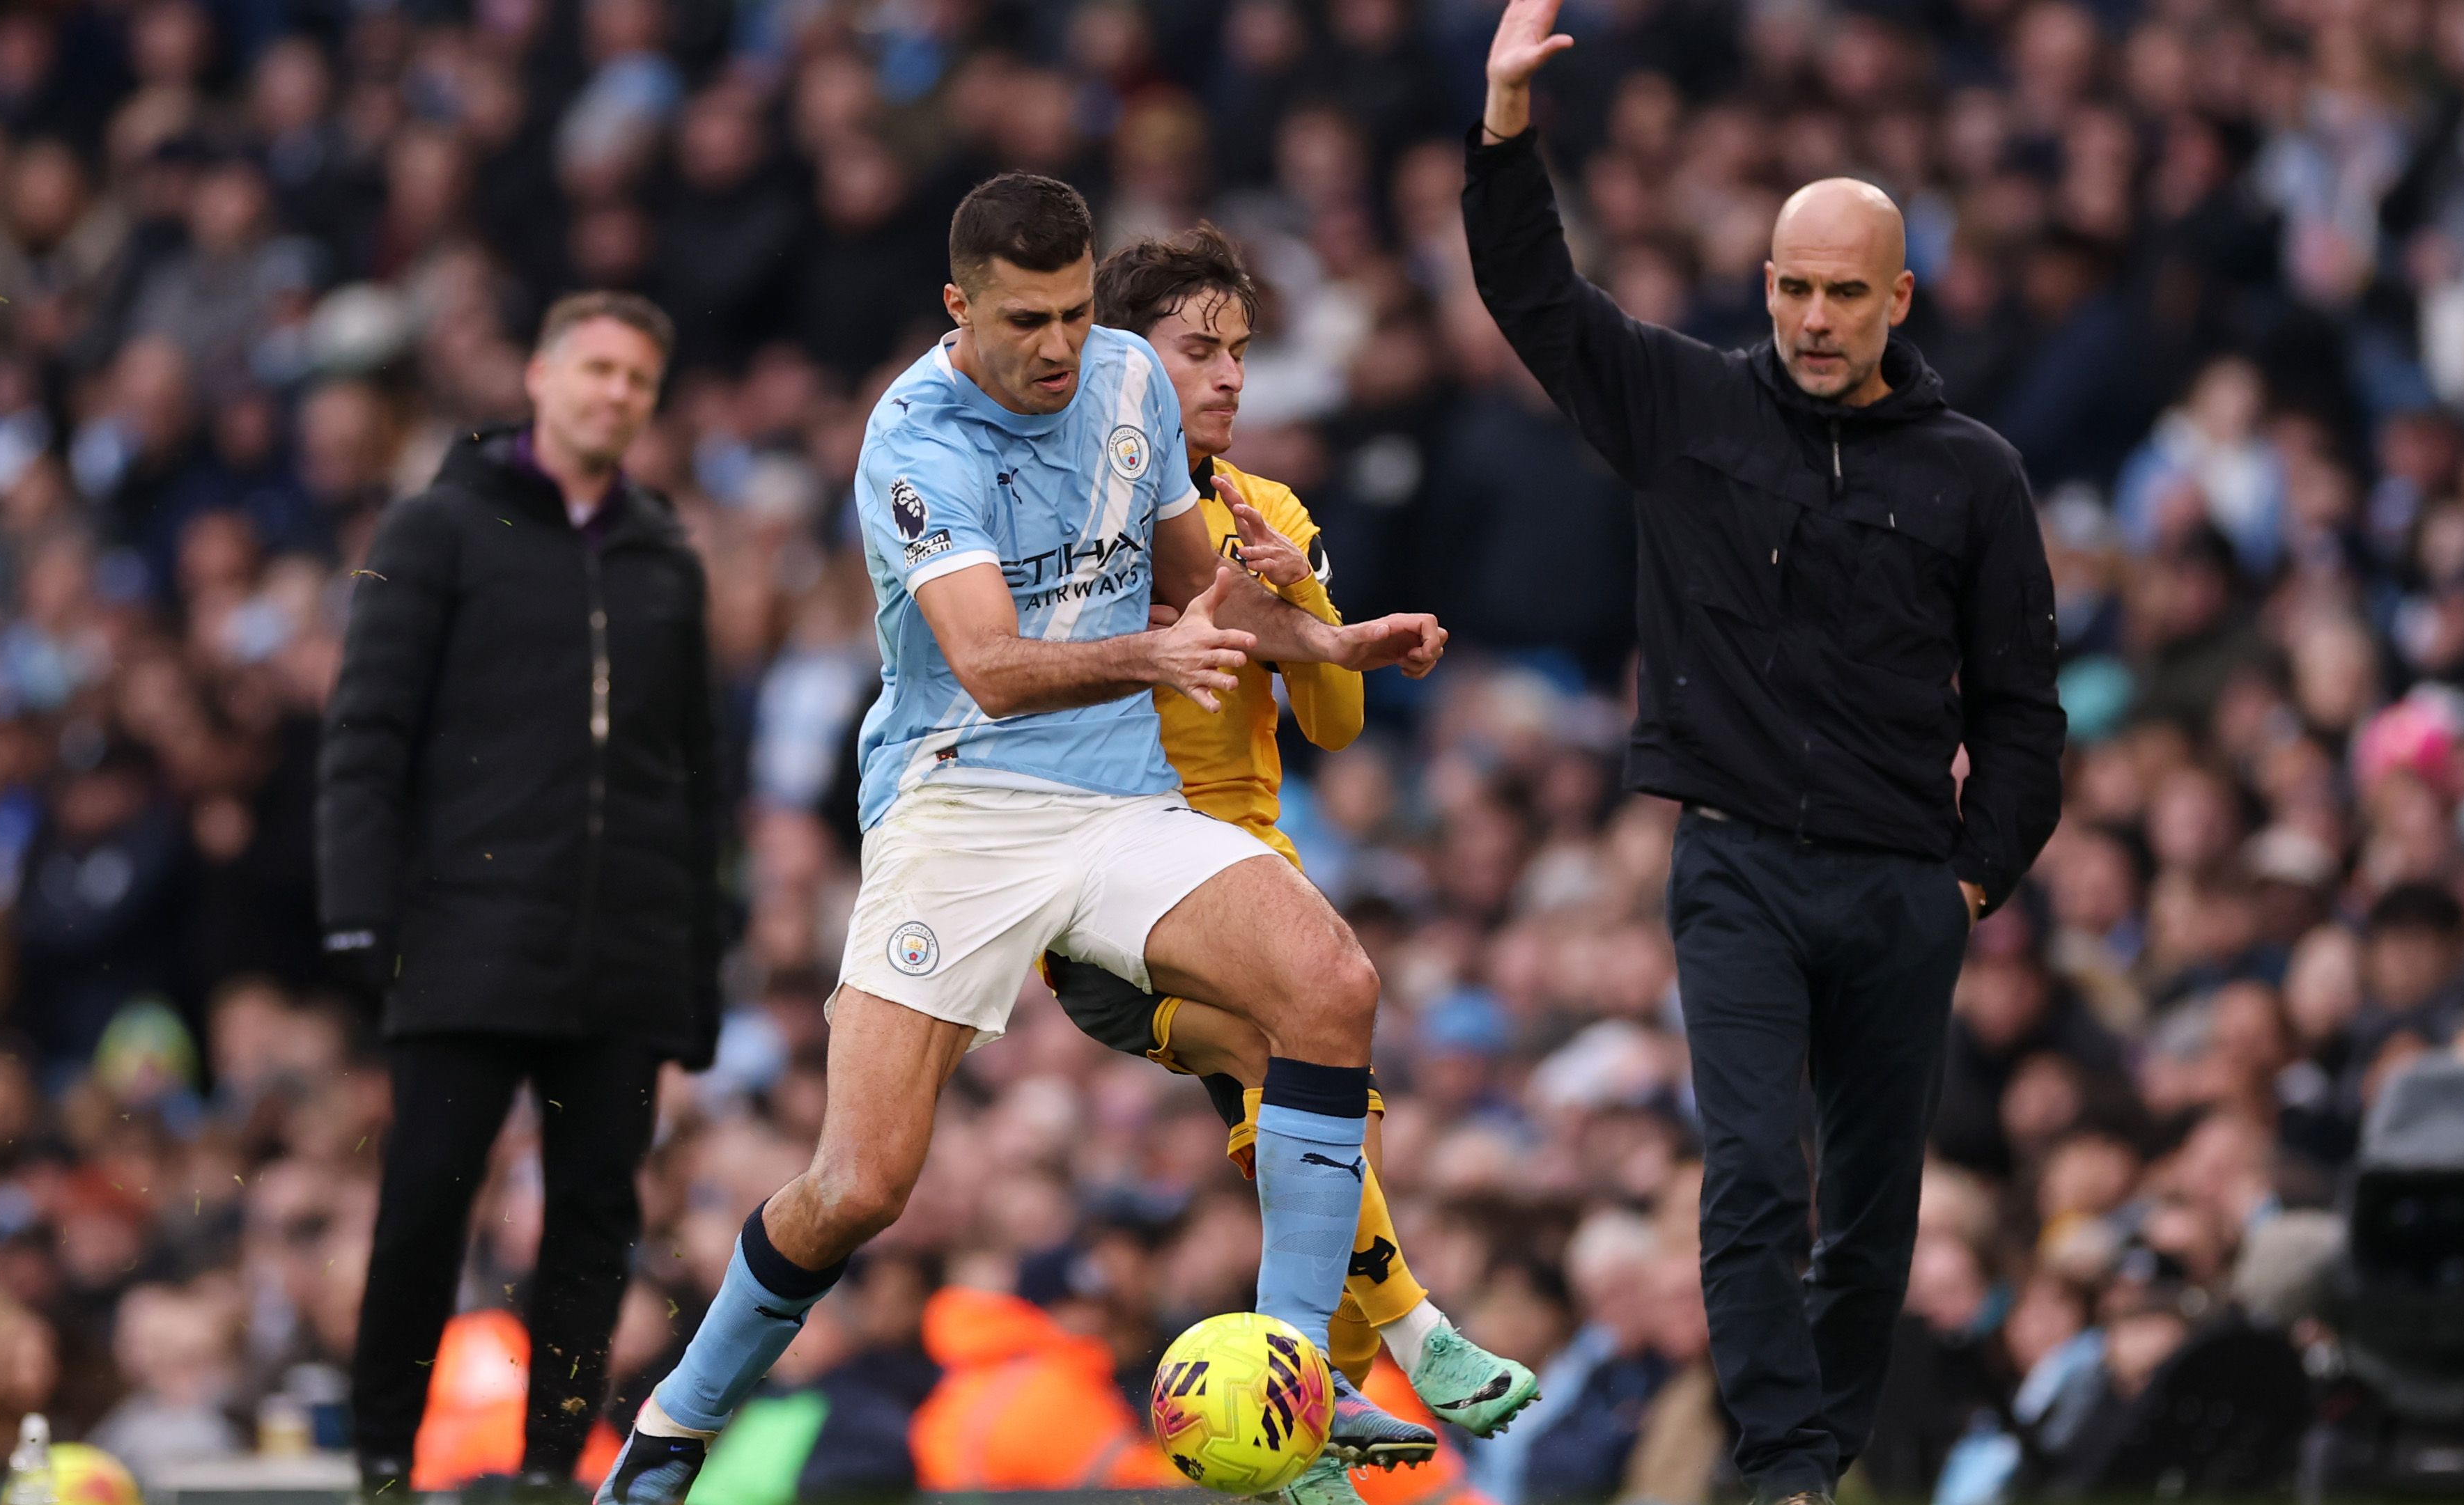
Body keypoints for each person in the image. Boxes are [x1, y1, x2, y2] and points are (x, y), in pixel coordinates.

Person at [593, 173, 1449, 1505]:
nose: (1057, 347)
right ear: (960, 308)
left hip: (1118, 801)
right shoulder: (914, 439)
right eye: (1022, 320)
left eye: (1070, 311)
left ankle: (1292, 1371)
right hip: (959, 809)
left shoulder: (1128, 381)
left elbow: (1188, 584)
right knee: (862, 1182)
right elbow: (989, 667)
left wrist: (1333, 639)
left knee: (1331, 985)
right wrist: (1161, 656)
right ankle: (675, 1427)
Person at [1462, 6, 2068, 1504]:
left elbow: (2021, 705)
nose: (1810, 317)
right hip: (1733, 856)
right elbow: (1534, 296)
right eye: (1791, 287)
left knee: (1870, 1210)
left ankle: (1821, 1458)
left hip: (1899, 881)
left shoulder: (1972, 474)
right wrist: (1502, 132)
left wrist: (1975, 880)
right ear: (1766, 285)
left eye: (1842, 294)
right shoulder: (1687, 407)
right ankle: (1787, 1473)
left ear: (1897, 300)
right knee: (1745, 1174)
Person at [1039, 224, 1540, 1505]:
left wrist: (1300, 620)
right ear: (1122, 361)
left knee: (1323, 1124)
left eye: (1240, 353)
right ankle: (1400, 1344)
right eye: (1195, 349)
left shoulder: (1272, 512)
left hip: (1258, 872)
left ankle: (1305, 1429)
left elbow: (1334, 727)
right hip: (1125, 882)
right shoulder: (1073, 508)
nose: (1227, 377)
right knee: (1297, 1078)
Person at [317, 291, 724, 1503]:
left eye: (638, 379)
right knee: (423, 1207)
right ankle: (383, 1463)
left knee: (595, 1229)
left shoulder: (666, 559)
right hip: (467, 936)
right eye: (596, 368)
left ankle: (551, 1470)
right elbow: (367, 730)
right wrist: (360, 916)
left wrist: (694, 972)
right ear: (541, 375)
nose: (616, 394)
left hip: (621, 950)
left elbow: (696, 778)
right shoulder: (439, 527)